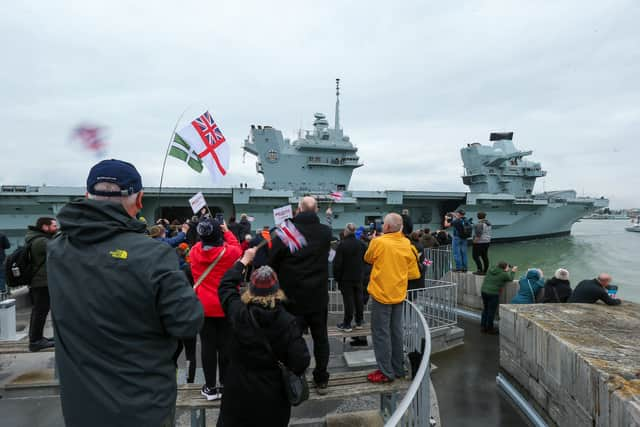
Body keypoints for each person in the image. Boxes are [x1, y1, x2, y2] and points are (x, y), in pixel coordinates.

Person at [47, 159, 204, 427]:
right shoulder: (154, 255)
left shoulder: (57, 250)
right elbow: (187, 321)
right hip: (142, 406)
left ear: (87, 196)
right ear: (140, 199)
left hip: (80, 407)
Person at [217, 247, 310, 427]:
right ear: (276, 290)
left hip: (237, 396)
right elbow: (301, 361)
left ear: (250, 289)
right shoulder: (287, 322)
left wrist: (243, 261)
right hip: (271, 398)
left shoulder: (238, 312)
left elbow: (226, 286)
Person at [269, 196, 332, 394]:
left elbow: (273, 262)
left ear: (298, 209)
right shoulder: (325, 232)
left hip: (293, 297)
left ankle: (296, 376)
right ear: (316, 210)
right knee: (321, 338)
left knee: (292, 339)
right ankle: (321, 378)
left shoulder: (286, 233)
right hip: (318, 297)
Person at [189, 217, 243, 400]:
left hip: (203, 307)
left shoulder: (194, 252)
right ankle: (226, 384)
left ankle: (210, 387)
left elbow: (201, 243)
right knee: (227, 346)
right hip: (225, 305)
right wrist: (226, 230)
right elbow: (238, 247)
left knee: (207, 347)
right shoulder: (229, 253)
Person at [364, 213, 420, 383]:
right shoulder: (407, 245)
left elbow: (368, 258)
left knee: (381, 334)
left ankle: (385, 372)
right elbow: (413, 273)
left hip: (381, 294)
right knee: (396, 332)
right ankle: (398, 368)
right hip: (399, 294)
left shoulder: (378, 242)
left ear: (386, 227)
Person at [25, 217, 58, 352]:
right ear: (45, 227)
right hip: (41, 281)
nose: (57, 228)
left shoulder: (38, 238)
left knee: (40, 311)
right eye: (54, 226)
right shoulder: (41, 241)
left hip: (41, 281)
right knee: (40, 311)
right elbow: (59, 248)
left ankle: (38, 338)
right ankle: (35, 341)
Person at [333, 223, 366, 332]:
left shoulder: (342, 245)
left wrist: (337, 278)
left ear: (346, 231)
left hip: (346, 278)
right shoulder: (361, 244)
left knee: (348, 301)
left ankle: (347, 324)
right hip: (358, 276)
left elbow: (337, 264)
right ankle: (359, 321)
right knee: (359, 299)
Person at [480, 261, 517, 334]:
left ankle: (483, 326)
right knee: (491, 311)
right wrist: (513, 271)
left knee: (485, 309)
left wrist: (505, 267)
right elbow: (511, 279)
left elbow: (497, 266)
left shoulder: (491, 270)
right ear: (504, 268)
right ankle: (489, 329)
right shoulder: (504, 274)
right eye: (507, 267)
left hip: (484, 291)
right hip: (493, 293)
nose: (508, 268)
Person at [407, 230, 425, 296]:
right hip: (418, 267)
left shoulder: (411, 246)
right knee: (415, 287)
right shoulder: (420, 244)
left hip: (412, 268)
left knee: (410, 287)